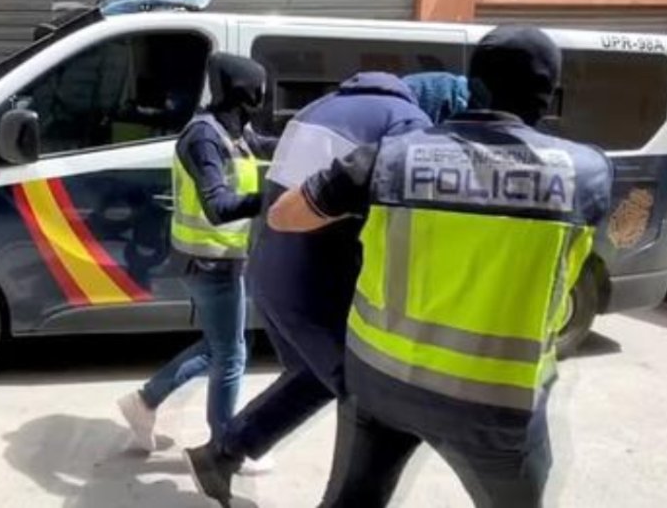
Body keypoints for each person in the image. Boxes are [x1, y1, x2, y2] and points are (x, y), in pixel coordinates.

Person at [268, 26, 612, 508]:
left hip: (382, 382)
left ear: (472, 85)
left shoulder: (388, 158)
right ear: (548, 96)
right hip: (496, 402)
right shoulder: (586, 172)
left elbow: (283, 216)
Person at [186, 72, 472, 502]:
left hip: (269, 269)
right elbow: (402, 221)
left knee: (317, 378)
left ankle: (222, 454)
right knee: (370, 400)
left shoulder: (318, 107)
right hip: (314, 280)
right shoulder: (408, 124)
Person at [116, 52, 275, 471]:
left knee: (219, 346)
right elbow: (218, 206)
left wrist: (314, 142)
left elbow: (266, 146)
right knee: (232, 354)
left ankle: (143, 401)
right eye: (259, 88)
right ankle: (225, 446)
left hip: (217, 261)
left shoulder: (232, 129)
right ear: (247, 92)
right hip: (209, 264)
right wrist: (275, 200)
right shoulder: (204, 137)